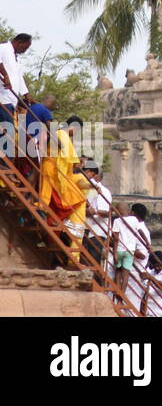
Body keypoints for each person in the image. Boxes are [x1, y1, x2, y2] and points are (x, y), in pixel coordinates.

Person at [38, 116, 86, 260]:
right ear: (74, 127)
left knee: (50, 199)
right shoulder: (62, 134)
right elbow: (70, 157)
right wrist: (78, 163)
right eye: (77, 131)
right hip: (53, 171)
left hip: (52, 170)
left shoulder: (58, 133)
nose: (75, 133)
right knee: (72, 199)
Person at [112, 203, 151, 313]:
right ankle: (119, 293)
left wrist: (127, 249)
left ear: (133, 213)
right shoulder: (136, 224)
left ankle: (119, 293)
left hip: (135, 273)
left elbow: (142, 254)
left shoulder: (129, 223)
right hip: (130, 262)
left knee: (130, 308)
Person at [80, 161, 113, 270]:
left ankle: (96, 284)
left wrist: (95, 212)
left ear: (97, 177)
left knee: (93, 261)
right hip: (86, 227)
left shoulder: (103, 191)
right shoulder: (86, 187)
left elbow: (106, 212)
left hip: (97, 230)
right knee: (84, 260)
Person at [0, 33, 32, 136]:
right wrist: (5, 75)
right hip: (3, 98)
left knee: (8, 132)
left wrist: (26, 94)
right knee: (7, 133)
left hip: (11, 100)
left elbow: (19, 77)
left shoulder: (16, 58)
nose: (25, 51)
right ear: (19, 42)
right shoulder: (3, 48)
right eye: (25, 47)